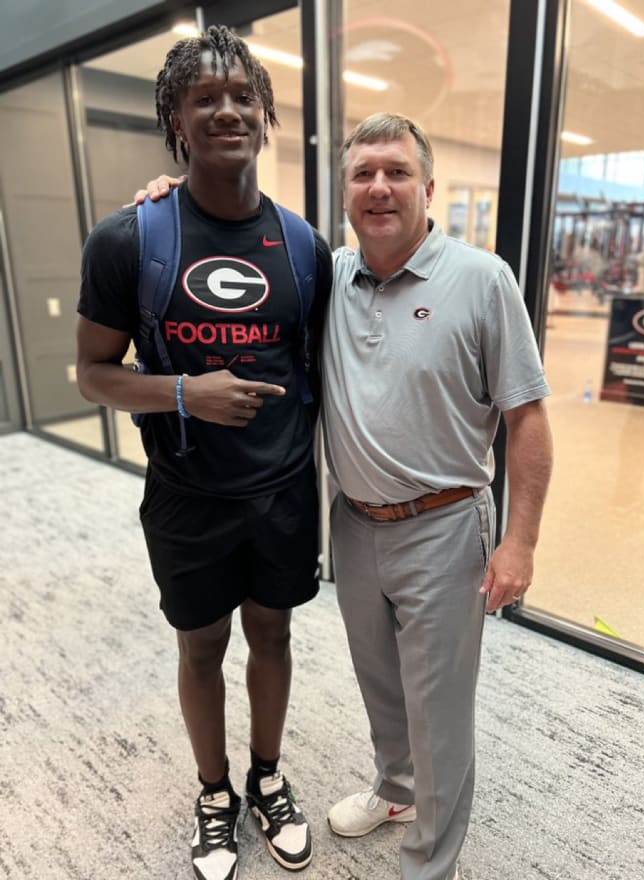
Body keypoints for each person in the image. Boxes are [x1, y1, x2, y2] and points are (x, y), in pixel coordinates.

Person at [136, 112, 553, 880]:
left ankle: (428, 864)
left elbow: (526, 417)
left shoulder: (482, 279)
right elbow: (232, 252)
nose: (380, 187)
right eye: (363, 175)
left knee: (440, 710)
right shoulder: (329, 275)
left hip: (446, 525)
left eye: (396, 172)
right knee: (379, 681)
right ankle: (396, 790)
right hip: (354, 524)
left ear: (429, 188)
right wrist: (175, 199)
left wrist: (520, 541)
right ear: (346, 196)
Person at [76, 26, 331, 880]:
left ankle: (266, 775)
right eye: (203, 97)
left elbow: (321, 364)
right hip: (187, 492)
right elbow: (92, 375)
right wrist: (188, 392)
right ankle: (215, 792)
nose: (227, 109)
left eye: (241, 95)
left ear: (264, 113)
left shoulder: (303, 246)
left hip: (285, 491)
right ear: (176, 121)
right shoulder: (130, 239)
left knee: (274, 636)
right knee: (200, 648)